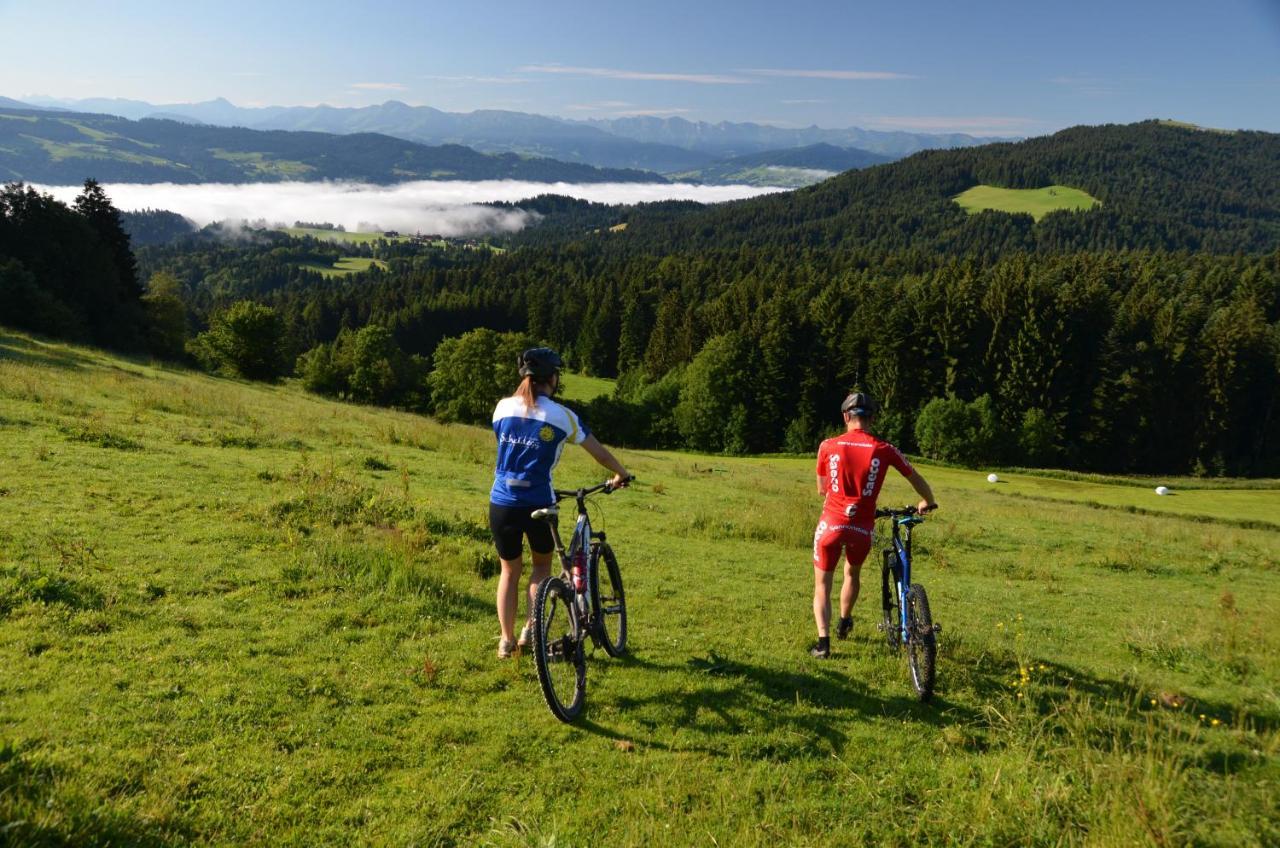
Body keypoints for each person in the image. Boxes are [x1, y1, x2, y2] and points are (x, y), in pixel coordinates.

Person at [489, 347, 630, 659]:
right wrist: (621, 473)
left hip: (501, 502)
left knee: (508, 571)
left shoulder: (501, 408)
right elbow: (600, 453)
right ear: (552, 379)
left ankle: (505, 640)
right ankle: (530, 630)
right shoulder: (562, 416)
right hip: (538, 502)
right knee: (541, 566)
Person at [809, 391, 937, 659]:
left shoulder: (827, 446)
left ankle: (824, 643)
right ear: (872, 419)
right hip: (862, 528)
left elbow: (822, 489)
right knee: (852, 574)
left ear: (846, 416)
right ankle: (845, 620)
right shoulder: (884, 449)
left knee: (823, 584)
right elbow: (915, 477)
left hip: (830, 525)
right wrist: (928, 500)